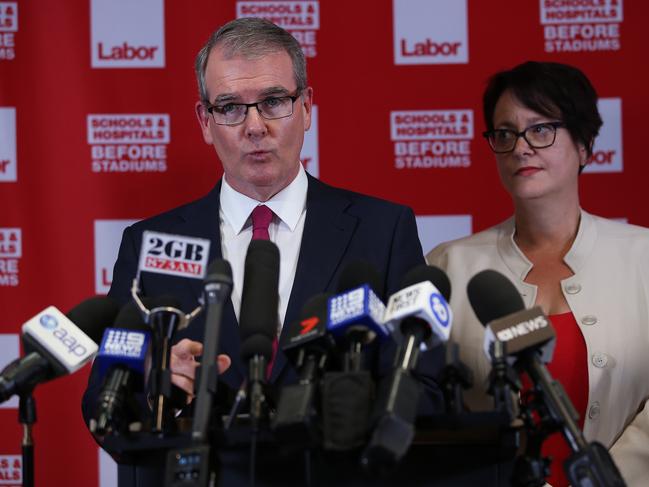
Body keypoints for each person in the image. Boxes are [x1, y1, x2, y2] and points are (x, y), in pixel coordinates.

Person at [82, 17, 437, 486]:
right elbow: (101, 408)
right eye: (229, 107)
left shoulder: (382, 229)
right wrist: (154, 387)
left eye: (273, 101)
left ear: (306, 107)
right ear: (205, 123)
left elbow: (426, 389)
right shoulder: (149, 245)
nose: (255, 126)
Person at [427, 61, 649, 486]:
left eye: (541, 129)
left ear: (584, 145)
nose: (521, 147)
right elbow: (433, 407)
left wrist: (601, 479)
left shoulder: (643, 256)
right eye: (505, 133)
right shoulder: (447, 265)